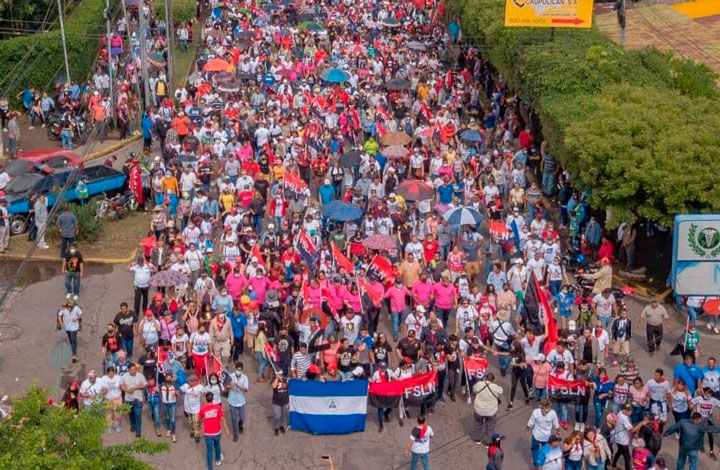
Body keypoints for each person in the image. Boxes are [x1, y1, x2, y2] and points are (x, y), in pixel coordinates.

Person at [199, 391, 230, 470]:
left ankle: (210, 468)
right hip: (217, 432)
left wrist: (199, 427)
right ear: (213, 399)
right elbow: (222, 419)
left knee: (209, 451)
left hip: (208, 433)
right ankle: (218, 459)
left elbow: (200, 419)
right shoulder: (218, 408)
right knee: (217, 445)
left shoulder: (203, 409)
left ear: (206, 399)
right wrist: (226, 429)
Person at [472, 372, 503, 446]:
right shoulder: (495, 387)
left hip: (479, 409)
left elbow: (474, 389)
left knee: (478, 424)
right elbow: (501, 391)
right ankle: (488, 443)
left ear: (485, 378)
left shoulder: (479, 384)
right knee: (490, 427)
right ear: (493, 379)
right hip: (491, 411)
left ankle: (478, 439)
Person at [527, 397, 560, 463]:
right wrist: (558, 432)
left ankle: (537, 463)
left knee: (534, 450)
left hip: (536, 435)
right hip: (546, 437)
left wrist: (527, 428)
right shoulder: (552, 413)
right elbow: (556, 425)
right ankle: (544, 463)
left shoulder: (536, 412)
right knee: (546, 451)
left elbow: (531, 422)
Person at [120, 362, 147, 438]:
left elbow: (144, 385)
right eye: (132, 370)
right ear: (128, 370)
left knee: (138, 415)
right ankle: (133, 424)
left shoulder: (140, 375)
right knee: (131, 414)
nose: (134, 371)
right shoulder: (125, 376)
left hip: (138, 399)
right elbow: (122, 385)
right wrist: (126, 390)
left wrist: (135, 388)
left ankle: (138, 432)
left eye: (135, 369)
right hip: (128, 399)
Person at [226, 361, 249, 442]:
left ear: (242, 370)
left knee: (242, 417)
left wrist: (239, 387)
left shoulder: (245, 377)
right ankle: (235, 434)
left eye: (240, 370)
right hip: (232, 400)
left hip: (241, 401)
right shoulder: (230, 376)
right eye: (237, 369)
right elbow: (226, 387)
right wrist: (231, 387)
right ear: (235, 369)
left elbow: (246, 389)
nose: (238, 371)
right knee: (233, 419)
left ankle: (240, 424)